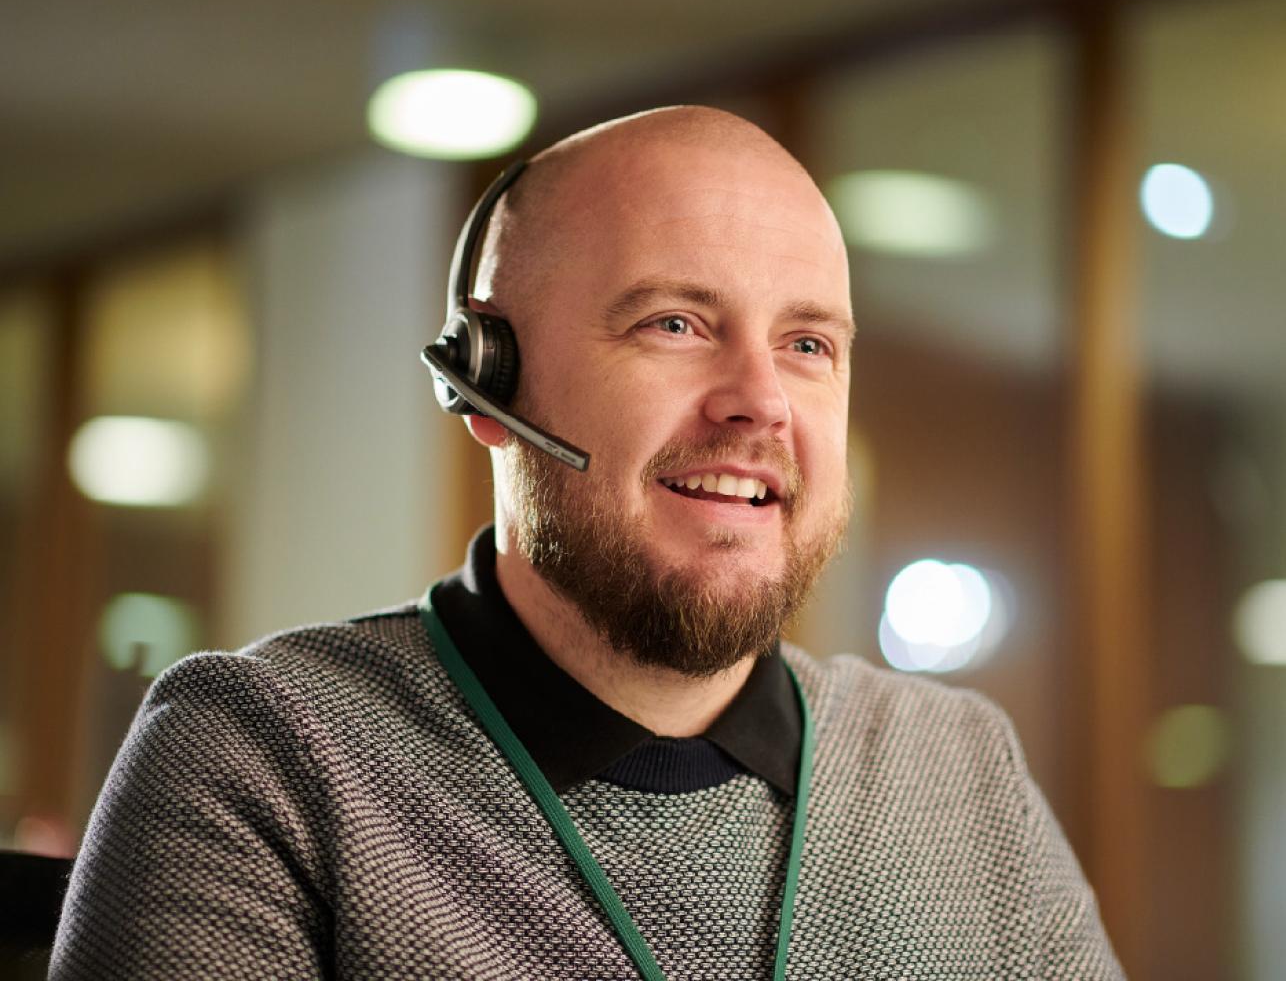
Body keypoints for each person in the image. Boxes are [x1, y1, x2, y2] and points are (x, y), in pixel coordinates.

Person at [51, 106, 1123, 979]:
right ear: (486, 385)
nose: (759, 402)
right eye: (674, 324)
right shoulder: (264, 757)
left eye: (806, 344)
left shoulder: (956, 771)